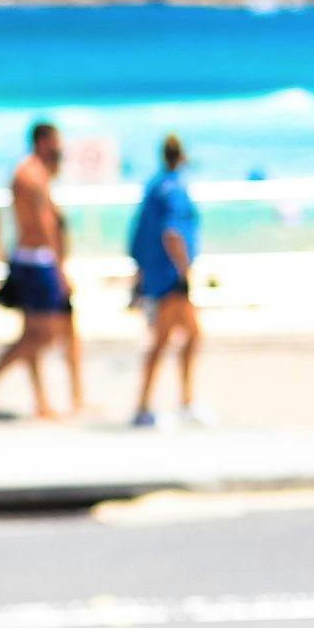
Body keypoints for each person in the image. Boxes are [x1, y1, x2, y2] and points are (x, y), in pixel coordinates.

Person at [0, 122, 84, 419]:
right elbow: (45, 224)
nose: (60, 148)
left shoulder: (37, 173)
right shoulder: (31, 175)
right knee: (41, 334)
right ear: (43, 141)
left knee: (43, 332)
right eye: (56, 142)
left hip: (36, 259)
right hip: (37, 261)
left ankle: (50, 400)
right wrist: (60, 269)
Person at [128, 134, 203, 428]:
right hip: (170, 277)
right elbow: (172, 234)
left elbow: (139, 233)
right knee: (165, 341)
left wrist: (142, 272)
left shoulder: (154, 186)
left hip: (157, 274)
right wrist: (184, 271)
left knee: (189, 335)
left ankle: (183, 400)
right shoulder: (174, 189)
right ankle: (149, 406)